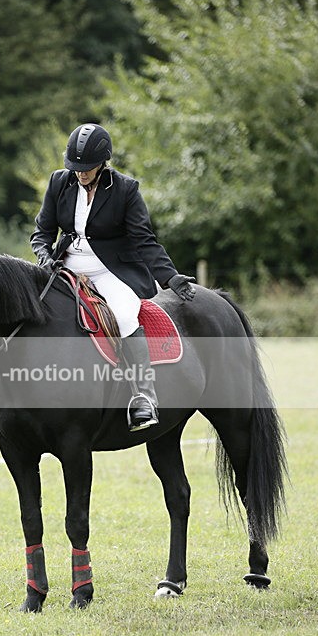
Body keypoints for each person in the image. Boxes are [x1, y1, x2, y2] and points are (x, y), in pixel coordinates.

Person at [30, 123, 195, 430]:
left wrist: (169, 277)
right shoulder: (59, 182)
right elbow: (42, 232)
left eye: (87, 168)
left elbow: (144, 240)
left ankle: (143, 396)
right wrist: (45, 256)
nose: (81, 173)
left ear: (102, 162)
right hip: (66, 267)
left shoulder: (125, 189)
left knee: (124, 316)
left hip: (111, 271)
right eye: (76, 168)